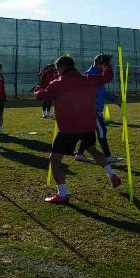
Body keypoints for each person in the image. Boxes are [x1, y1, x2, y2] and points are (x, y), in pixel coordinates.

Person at [34, 55, 120, 204]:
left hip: (68, 128)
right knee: (92, 150)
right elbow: (107, 77)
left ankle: (63, 194)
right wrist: (106, 64)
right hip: (87, 125)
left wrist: (38, 89)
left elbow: (42, 96)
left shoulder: (58, 83)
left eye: (57, 69)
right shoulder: (87, 79)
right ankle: (111, 174)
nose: (57, 71)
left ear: (62, 67)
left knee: (54, 160)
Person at [75, 55, 123, 164]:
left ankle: (79, 154)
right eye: (105, 64)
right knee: (101, 130)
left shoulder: (95, 74)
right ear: (99, 63)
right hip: (92, 109)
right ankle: (107, 156)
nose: (105, 67)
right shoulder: (91, 74)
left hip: (92, 108)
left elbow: (102, 92)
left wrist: (115, 99)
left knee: (89, 132)